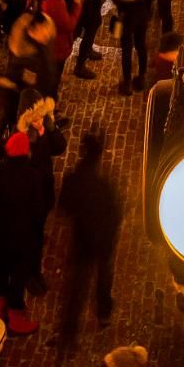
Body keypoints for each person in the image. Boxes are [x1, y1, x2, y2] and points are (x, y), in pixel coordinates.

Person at [55, 129, 121, 341]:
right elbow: (116, 213)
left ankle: (69, 329)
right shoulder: (105, 184)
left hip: (83, 240)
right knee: (103, 278)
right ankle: (103, 312)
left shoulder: (74, 179)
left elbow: (64, 206)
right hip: (103, 242)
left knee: (77, 285)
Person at [0, 127, 53, 335]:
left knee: (2, 268)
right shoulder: (32, 177)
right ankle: (15, 314)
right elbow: (38, 210)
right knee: (18, 274)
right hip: (23, 237)